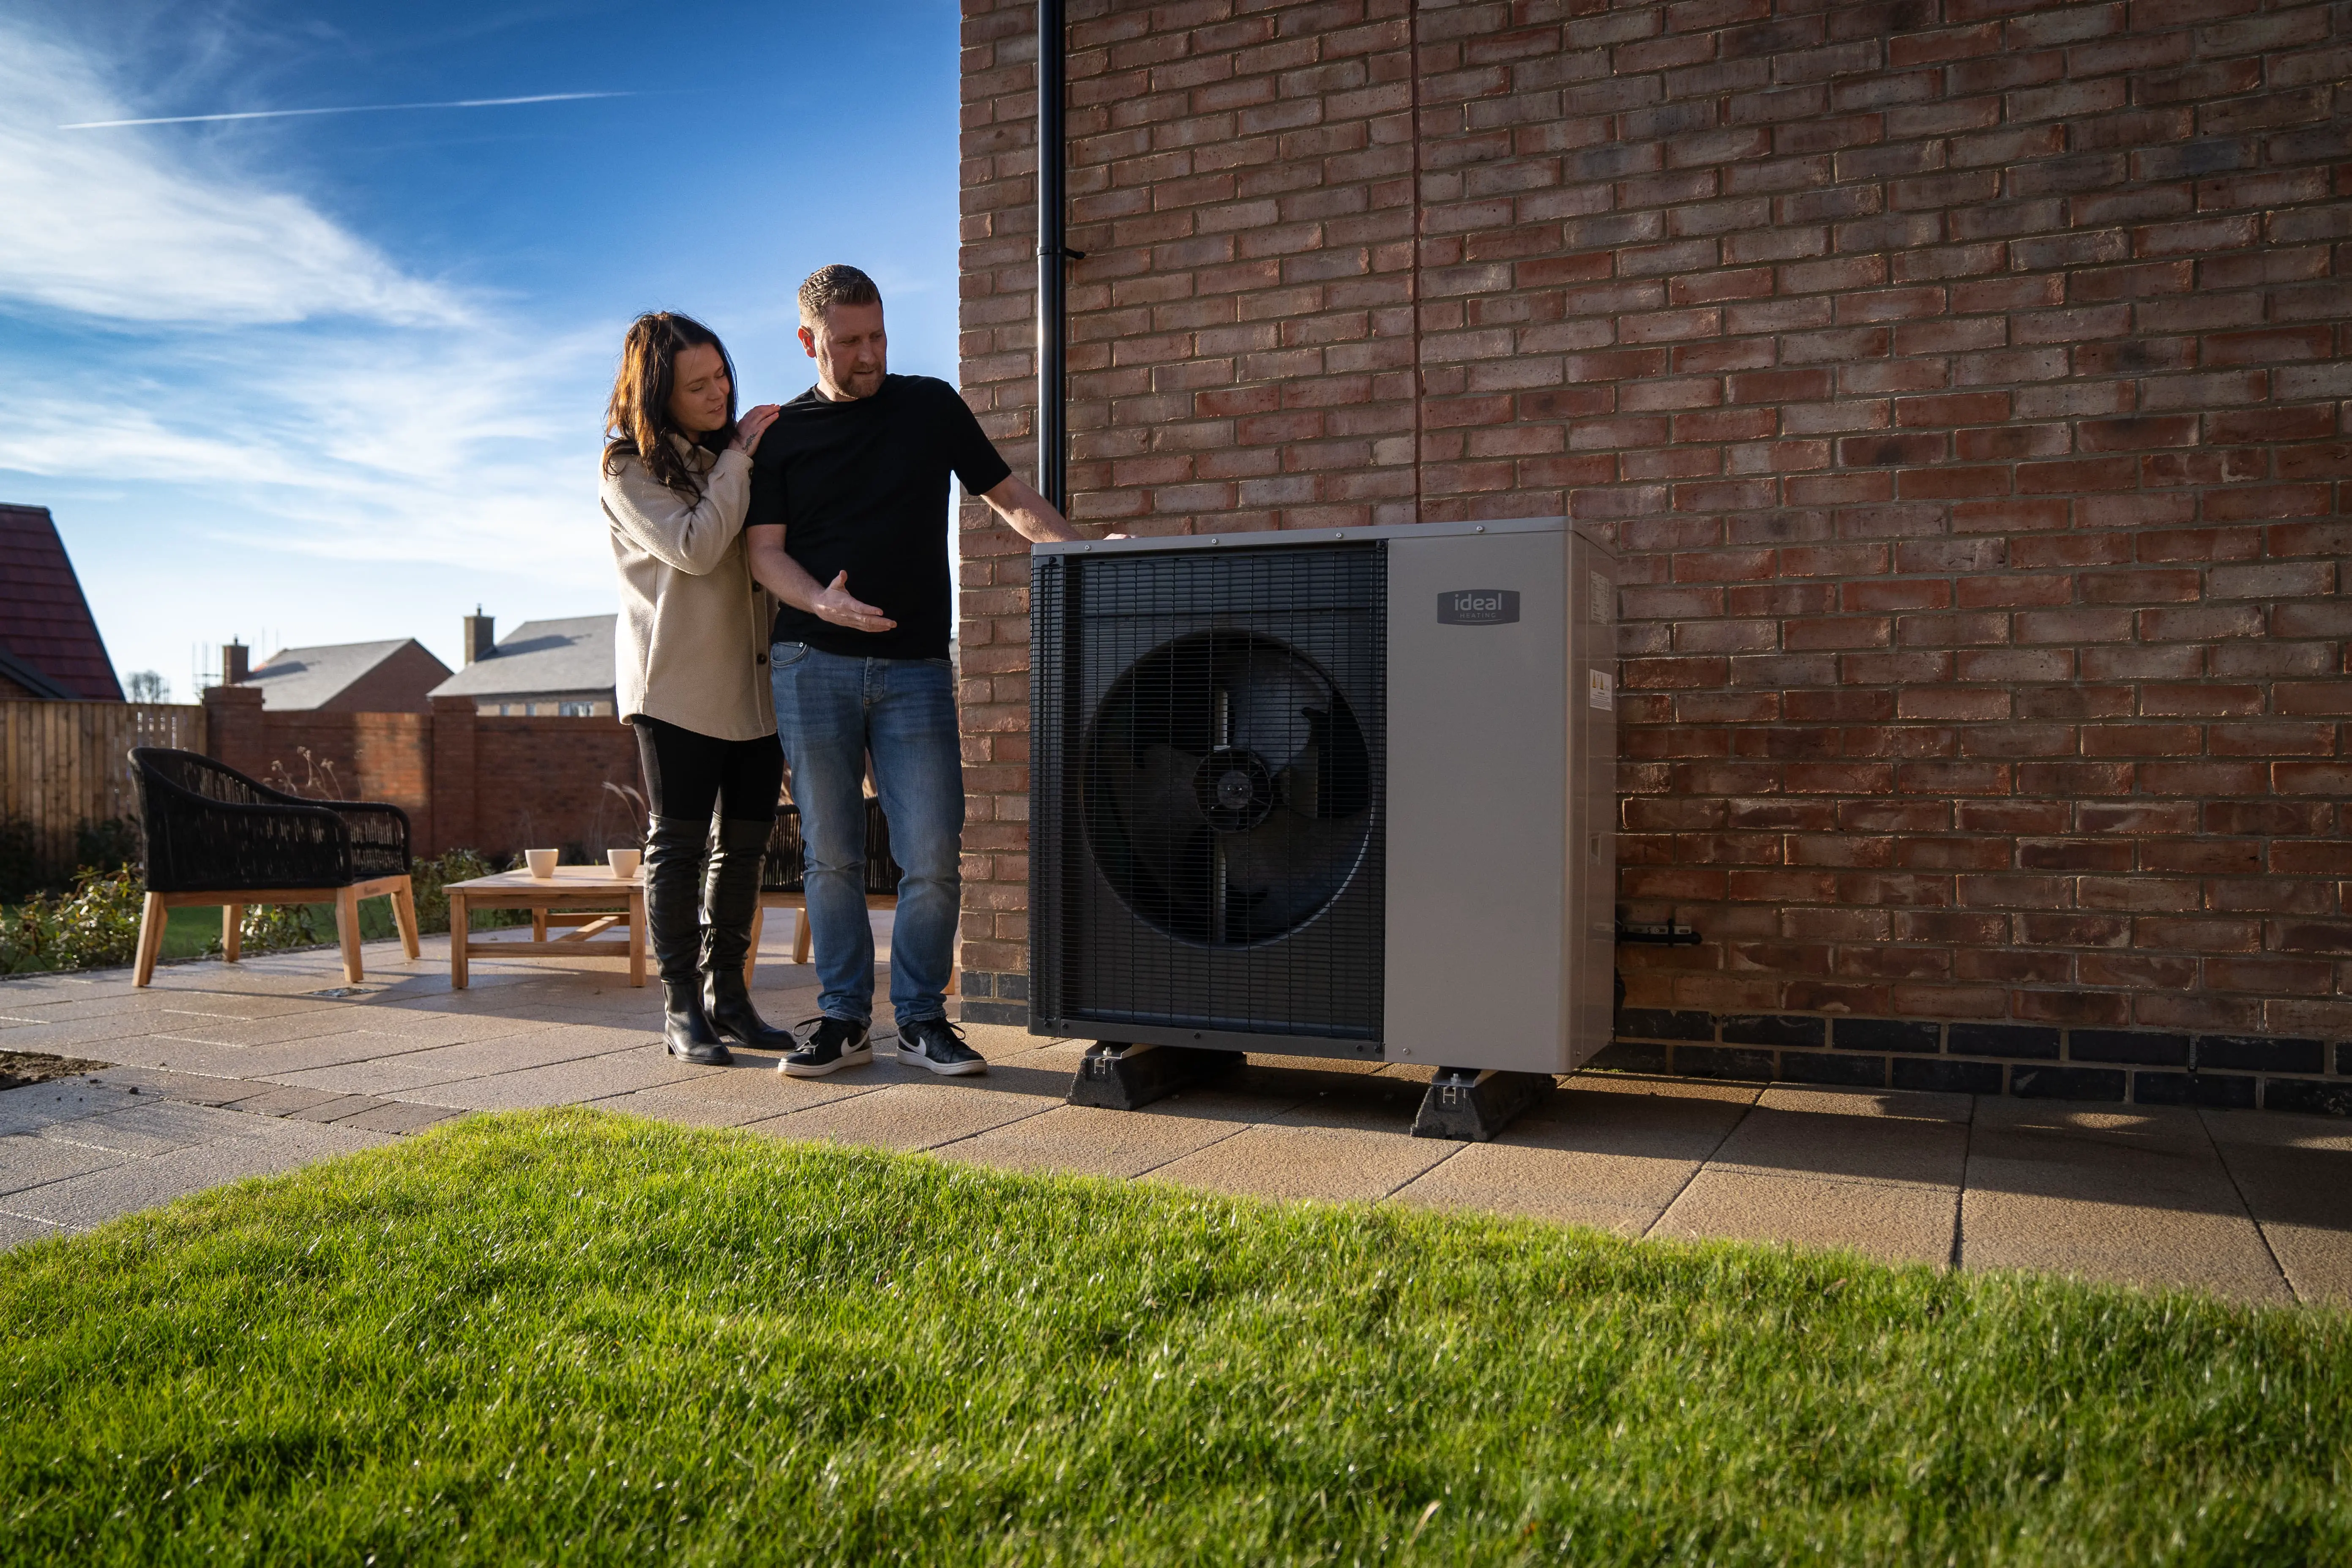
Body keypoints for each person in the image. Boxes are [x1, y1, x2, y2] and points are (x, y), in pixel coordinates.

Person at [746, 264, 1088, 1078]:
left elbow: (1006, 496)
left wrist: (1082, 554)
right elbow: (764, 554)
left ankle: (924, 1019)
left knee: (932, 850)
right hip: (811, 661)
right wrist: (823, 605)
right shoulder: (781, 434)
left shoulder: (930, 405)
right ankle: (842, 1019)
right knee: (829, 854)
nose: (869, 355)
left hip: (914, 670)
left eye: (878, 336)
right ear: (808, 341)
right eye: (848, 342)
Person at [601, 311, 797, 1066]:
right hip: (676, 686)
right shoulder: (627, 468)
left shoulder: (729, 456)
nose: (720, 394)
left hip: (754, 687)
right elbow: (696, 545)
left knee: (745, 850)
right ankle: (682, 1007)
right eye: (699, 385)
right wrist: (740, 455)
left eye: (722, 376)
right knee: (679, 847)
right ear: (660, 392)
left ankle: (732, 999)